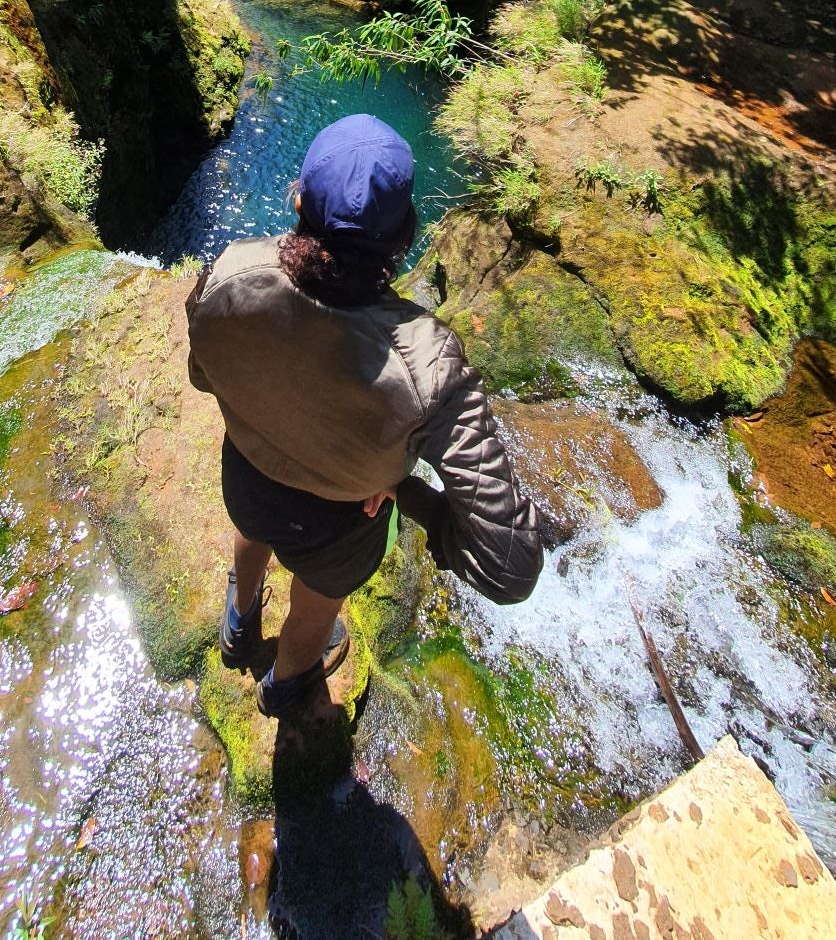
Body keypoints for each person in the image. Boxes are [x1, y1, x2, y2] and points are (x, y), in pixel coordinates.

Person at [185, 112, 557, 719]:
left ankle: (240, 620)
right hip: (337, 523)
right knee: (316, 607)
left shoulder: (228, 273)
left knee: (252, 533)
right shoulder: (428, 361)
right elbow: (510, 567)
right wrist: (402, 488)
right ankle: (283, 686)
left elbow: (204, 376)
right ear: (405, 236)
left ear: (299, 200)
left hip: (248, 476)